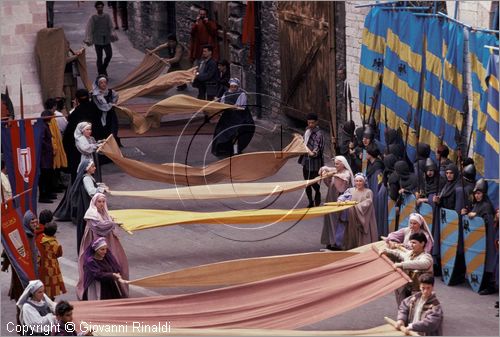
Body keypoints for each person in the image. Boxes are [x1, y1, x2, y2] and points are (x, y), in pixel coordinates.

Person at [77, 193, 128, 299]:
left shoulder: (104, 213)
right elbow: (98, 226)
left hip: (106, 241)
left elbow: (107, 223)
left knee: (112, 260)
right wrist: (112, 224)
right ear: (95, 202)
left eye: (103, 202)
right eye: (99, 202)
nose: (101, 204)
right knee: (97, 262)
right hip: (95, 239)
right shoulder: (91, 213)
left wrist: (111, 222)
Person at [463, 179, 497, 295]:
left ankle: (490, 286)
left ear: (484, 194)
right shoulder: (476, 205)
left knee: (487, 261)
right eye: (475, 193)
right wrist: (466, 213)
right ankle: (481, 283)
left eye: (479, 193)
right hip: (478, 239)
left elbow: (487, 223)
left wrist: (476, 216)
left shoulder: (486, 206)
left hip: (486, 238)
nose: (477, 196)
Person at [380, 232, 433, 305]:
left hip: (419, 290)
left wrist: (402, 264)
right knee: (403, 306)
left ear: (422, 243)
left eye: (414, 243)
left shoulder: (427, 257)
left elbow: (422, 264)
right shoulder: (410, 253)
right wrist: (387, 251)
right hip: (407, 286)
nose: (411, 245)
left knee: (415, 309)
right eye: (411, 242)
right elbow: (399, 254)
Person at [63, 89, 101, 182]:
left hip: (78, 147)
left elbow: (69, 129)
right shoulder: (94, 108)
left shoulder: (77, 112)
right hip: (89, 144)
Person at [211, 78, 255, 157]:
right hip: (228, 117)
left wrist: (234, 107)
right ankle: (225, 149)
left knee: (236, 134)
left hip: (239, 117)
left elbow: (241, 107)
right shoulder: (226, 93)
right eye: (232, 86)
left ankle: (235, 151)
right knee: (223, 133)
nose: (233, 88)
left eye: (235, 86)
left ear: (237, 87)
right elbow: (222, 103)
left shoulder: (242, 94)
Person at [318, 155, 354, 250]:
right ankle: (330, 241)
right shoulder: (337, 171)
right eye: (335, 164)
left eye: (337, 164)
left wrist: (331, 174)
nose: (336, 165)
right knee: (329, 221)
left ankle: (337, 243)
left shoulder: (346, 174)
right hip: (331, 199)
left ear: (343, 164)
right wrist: (325, 170)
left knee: (338, 223)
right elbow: (330, 178)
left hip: (339, 202)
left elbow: (343, 180)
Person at [338, 173, 379, 249]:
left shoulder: (368, 192)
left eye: (360, 181)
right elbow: (344, 196)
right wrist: (340, 200)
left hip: (363, 216)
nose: (358, 183)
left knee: (362, 234)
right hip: (352, 216)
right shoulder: (350, 190)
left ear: (364, 182)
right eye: (356, 181)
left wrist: (356, 206)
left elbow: (368, 202)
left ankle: (363, 247)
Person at [298, 113, 325, 208]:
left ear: (316, 122)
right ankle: (310, 201)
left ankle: (317, 193)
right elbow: (303, 142)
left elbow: (317, 149)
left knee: (313, 181)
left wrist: (312, 153)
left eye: (312, 123)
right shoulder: (307, 130)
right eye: (309, 123)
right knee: (307, 182)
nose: (310, 125)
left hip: (315, 162)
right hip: (306, 160)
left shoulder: (319, 135)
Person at [84, 1, 117, 76]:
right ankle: (101, 73)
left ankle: (103, 69)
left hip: (106, 39)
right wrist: (88, 39)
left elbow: (111, 26)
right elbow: (89, 29)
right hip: (97, 40)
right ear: (96, 8)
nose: (100, 9)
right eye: (98, 7)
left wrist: (112, 33)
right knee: (99, 57)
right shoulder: (93, 17)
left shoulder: (107, 16)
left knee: (109, 55)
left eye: (101, 7)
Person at [39, 221, 66, 300]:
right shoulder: (54, 244)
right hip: (53, 266)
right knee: (52, 282)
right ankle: (50, 298)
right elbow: (58, 254)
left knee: (46, 281)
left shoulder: (42, 240)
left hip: (44, 264)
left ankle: (45, 295)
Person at [90, 75, 119, 144]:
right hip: (99, 114)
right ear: (98, 84)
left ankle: (112, 144)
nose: (103, 84)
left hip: (110, 114)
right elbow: (99, 105)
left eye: (105, 82)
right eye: (101, 83)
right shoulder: (95, 94)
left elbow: (115, 98)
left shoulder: (111, 92)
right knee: (101, 130)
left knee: (112, 128)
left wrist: (112, 104)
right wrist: (110, 105)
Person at [365, 143, 385, 236]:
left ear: (370, 154)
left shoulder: (377, 167)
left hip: (375, 193)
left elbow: (378, 183)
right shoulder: (371, 164)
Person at [39, 109, 56, 203]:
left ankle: (48, 192)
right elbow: (42, 141)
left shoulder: (45, 126)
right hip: (44, 156)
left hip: (47, 155)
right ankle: (43, 195)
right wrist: (49, 147)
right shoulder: (42, 127)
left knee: (48, 174)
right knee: (44, 176)